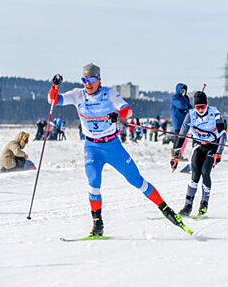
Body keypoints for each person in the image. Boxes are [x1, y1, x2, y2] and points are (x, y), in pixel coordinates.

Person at [47, 64, 188, 236]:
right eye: (85, 80)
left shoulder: (109, 94)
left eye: (91, 80)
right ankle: (97, 224)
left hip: (112, 146)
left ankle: (166, 209)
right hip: (92, 147)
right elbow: (53, 100)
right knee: (93, 183)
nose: (88, 84)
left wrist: (117, 115)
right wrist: (55, 86)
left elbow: (128, 111)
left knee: (137, 181)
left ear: (99, 80)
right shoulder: (78, 95)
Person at [171, 91, 226, 217]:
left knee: (205, 171)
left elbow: (222, 135)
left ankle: (203, 204)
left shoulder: (214, 113)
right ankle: (188, 206)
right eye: (197, 107)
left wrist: (219, 153)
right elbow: (182, 135)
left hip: (212, 146)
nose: (200, 110)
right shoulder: (190, 116)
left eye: (203, 107)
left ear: (207, 105)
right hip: (198, 146)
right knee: (195, 174)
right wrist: (175, 155)